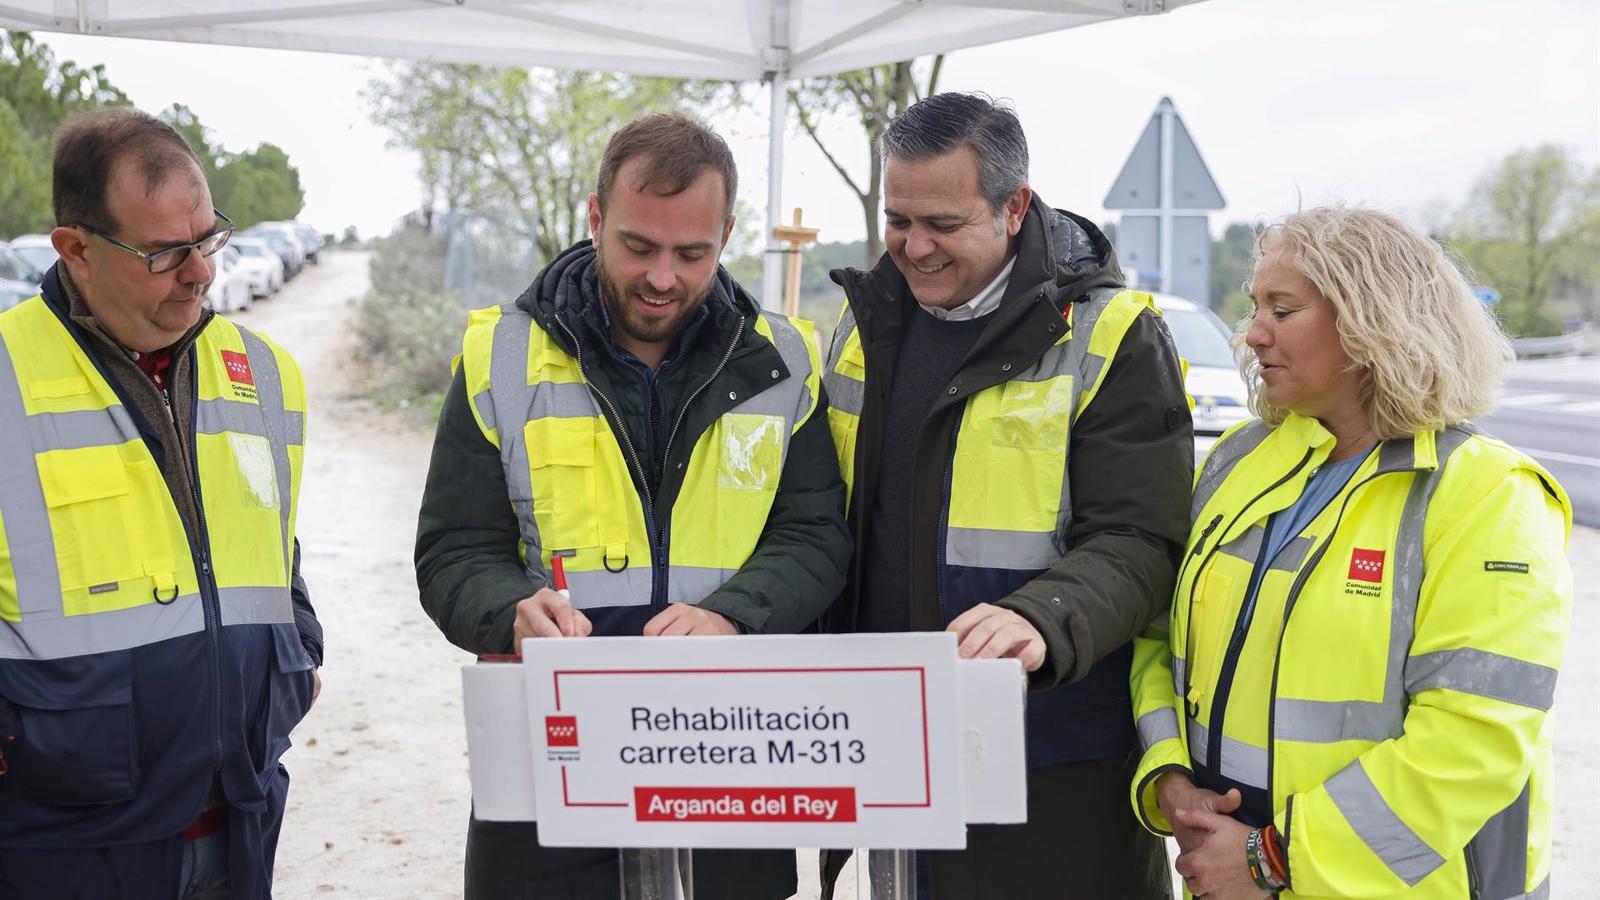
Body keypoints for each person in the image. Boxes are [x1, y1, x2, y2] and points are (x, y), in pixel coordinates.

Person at [414, 113, 850, 899]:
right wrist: (511, 609)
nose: (663, 277)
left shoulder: (785, 361)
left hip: (730, 760)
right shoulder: (502, 355)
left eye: (693, 254)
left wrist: (733, 614)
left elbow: (816, 537)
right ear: (594, 218)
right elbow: (453, 553)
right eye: (638, 247)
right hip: (551, 767)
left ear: (728, 233)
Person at [1130, 207, 1573, 900]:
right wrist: (1170, 780)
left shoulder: (1487, 495)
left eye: (1284, 308)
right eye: (1255, 308)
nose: (1252, 333)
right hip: (1224, 876)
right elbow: (1160, 639)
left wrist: (1274, 859)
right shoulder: (1237, 461)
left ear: (1373, 322)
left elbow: (1473, 743)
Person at [818, 92, 1191, 898]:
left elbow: (1142, 540)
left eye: (942, 225)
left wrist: (1041, 615)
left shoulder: (1111, 335)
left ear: (1013, 207)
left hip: (1047, 761)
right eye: (897, 220)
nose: (913, 248)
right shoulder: (863, 324)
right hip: (881, 745)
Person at [0, 108, 323, 899]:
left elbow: (272, 549)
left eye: (208, 239)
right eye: (166, 253)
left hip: (239, 818)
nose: (202, 273)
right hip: (62, 843)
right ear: (75, 249)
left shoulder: (266, 370)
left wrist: (300, 649)